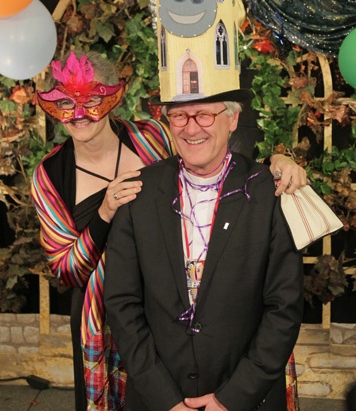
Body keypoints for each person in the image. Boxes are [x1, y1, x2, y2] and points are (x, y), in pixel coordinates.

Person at [31, 51, 307, 411]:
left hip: (186, 297)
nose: (79, 114)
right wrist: (104, 213)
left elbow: (212, 153)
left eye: (92, 100)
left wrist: (276, 161)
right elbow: (66, 271)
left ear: (112, 97)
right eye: (66, 102)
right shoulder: (51, 175)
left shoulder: (152, 135)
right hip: (108, 311)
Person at [104, 94, 304, 411]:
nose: (190, 127)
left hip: (247, 397)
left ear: (233, 119)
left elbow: (285, 307)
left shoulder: (270, 191)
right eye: (179, 116)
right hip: (158, 397)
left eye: (204, 115)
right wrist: (163, 398)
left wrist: (234, 398)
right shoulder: (138, 191)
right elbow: (122, 303)